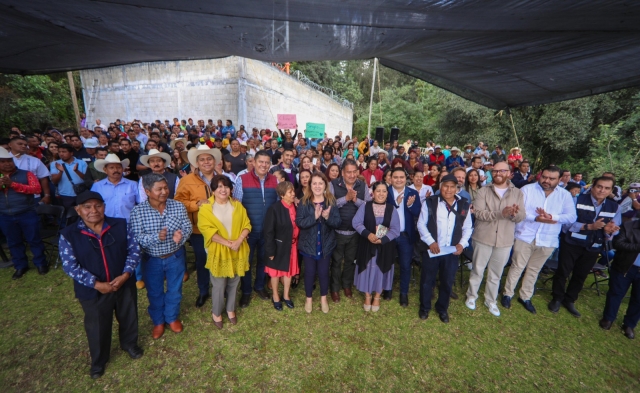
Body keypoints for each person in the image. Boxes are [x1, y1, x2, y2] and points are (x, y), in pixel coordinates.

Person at [59, 191, 142, 379]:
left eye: (98, 205)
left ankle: (129, 344)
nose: (93, 210)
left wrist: (125, 274)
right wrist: (96, 284)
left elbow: (134, 250)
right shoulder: (69, 234)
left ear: (104, 207)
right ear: (78, 210)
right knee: (97, 324)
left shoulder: (119, 225)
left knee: (128, 315)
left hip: (123, 282)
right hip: (93, 290)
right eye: (87, 207)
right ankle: (99, 360)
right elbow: (70, 266)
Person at [501, 166, 577, 314]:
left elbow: (572, 217)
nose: (546, 181)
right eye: (544, 177)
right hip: (525, 235)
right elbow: (520, 212)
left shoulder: (565, 195)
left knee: (534, 270)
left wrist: (553, 217)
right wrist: (536, 218)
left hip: (548, 239)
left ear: (560, 180)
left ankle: (525, 296)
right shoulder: (527, 189)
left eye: (551, 178)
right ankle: (507, 294)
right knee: (517, 266)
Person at [130, 174, 192, 339]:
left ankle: (171, 317)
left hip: (175, 256)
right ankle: (158, 321)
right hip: (152, 259)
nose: (164, 192)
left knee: (175, 289)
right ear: (148, 191)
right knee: (155, 292)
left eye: (166, 188)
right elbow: (137, 238)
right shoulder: (138, 211)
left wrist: (181, 235)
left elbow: (187, 226)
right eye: (159, 189)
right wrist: (157, 237)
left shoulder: (177, 206)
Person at [549, 176, 621, 317]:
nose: (602, 190)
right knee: (563, 271)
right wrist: (588, 226)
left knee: (581, 275)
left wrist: (608, 231)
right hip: (572, 243)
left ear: (611, 190)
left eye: (607, 188)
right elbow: (566, 225)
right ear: (593, 186)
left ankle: (570, 299)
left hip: (594, 246)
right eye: (599, 186)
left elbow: (613, 228)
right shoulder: (577, 199)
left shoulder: (614, 207)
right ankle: (557, 298)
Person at [465, 162, 525, 316]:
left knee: (496, 273)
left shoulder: (517, 193)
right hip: (483, 237)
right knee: (477, 269)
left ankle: (490, 300)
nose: (498, 173)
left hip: (505, 240)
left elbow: (521, 216)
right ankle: (471, 296)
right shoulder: (483, 191)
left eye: (502, 170)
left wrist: (513, 214)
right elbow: (478, 213)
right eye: (495, 170)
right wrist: (501, 213)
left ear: (509, 172)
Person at [417, 174, 473, 322]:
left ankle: (442, 308)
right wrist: (430, 242)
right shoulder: (430, 202)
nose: (448, 190)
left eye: (452, 187)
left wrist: (462, 244)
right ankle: (424, 307)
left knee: (447, 281)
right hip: (433, 250)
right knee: (427, 280)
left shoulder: (464, 205)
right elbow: (421, 224)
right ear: (440, 187)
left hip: (452, 252)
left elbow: (467, 227)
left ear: (457, 188)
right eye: (445, 186)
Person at [197, 175, 251, 328]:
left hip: (238, 249)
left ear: (231, 189)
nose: (223, 189)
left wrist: (239, 240)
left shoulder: (237, 205)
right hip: (219, 251)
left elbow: (247, 224)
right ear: (213, 190)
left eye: (226, 186)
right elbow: (207, 231)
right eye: (219, 186)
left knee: (234, 282)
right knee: (219, 284)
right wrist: (228, 243)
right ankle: (216, 312)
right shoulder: (206, 208)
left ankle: (230, 309)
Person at [175, 145, 222, 308]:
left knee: (219, 258)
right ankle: (203, 290)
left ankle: (219, 288)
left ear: (214, 161)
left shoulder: (221, 178)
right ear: (197, 162)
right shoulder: (186, 180)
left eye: (209, 158)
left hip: (220, 228)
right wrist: (196, 204)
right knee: (202, 260)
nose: (206, 162)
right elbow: (178, 202)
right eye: (202, 159)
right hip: (199, 230)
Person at [233, 150, 279, 307]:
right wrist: (240, 230)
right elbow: (237, 207)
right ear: (254, 162)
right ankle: (246, 291)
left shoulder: (275, 180)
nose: (264, 165)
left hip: (267, 231)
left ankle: (259, 286)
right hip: (248, 232)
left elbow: (278, 205)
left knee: (262, 260)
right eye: (261, 162)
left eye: (267, 162)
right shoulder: (242, 179)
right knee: (246, 261)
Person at [296, 173, 342, 313]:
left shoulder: (331, 201)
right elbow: (300, 222)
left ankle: (323, 298)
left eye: (320, 183)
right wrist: (314, 217)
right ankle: (308, 298)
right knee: (309, 272)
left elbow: (337, 222)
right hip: (308, 245)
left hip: (325, 245)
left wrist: (327, 218)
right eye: (314, 183)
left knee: (323, 272)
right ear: (310, 185)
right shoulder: (304, 202)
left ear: (325, 186)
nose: (317, 186)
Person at [328, 159, 372, 302]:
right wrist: (345, 198)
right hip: (337, 231)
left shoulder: (362, 185)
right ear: (342, 173)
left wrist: (355, 200)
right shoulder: (333, 184)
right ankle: (334, 288)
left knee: (350, 261)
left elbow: (368, 207)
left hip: (355, 232)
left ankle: (346, 285)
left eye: (354, 172)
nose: (352, 175)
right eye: (349, 172)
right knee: (336, 261)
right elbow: (329, 205)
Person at [0, 146, 47, 279]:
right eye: (3, 161)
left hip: (26, 212)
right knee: (13, 242)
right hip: (5, 215)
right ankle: (20, 265)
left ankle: (40, 263)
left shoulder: (26, 174)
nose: (7, 164)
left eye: (9, 161)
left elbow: (36, 189)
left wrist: (13, 184)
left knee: (34, 239)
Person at [353, 181, 400, 312]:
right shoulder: (365, 206)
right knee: (367, 267)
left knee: (381, 268)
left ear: (387, 193)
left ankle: (377, 296)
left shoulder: (391, 209)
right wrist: (368, 235)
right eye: (378, 191)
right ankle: (367, 295)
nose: (381, 194)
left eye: (384, 191)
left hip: (385, 246)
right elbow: (356, 222)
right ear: (372, 193)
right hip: (367, 244)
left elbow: (396, 229)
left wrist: (383, 240)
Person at [384, 168, 421, 306]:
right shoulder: (385, 192)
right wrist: (396, 203)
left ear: (406, 179)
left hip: (406, 235)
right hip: (389, 234)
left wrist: (410, 206)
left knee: (406, 265)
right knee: (388, 263)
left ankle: (403, 293)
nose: (398, 180)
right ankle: (387, 288)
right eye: (395, 177)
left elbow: (418, 212)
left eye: (401, 177)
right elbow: (381, 211)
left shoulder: (412, 193)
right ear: (390, 178)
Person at [600, 219, 640, 339]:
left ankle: (629, 325)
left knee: (638, 299)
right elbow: (617, 244)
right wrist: (638, 246)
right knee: (616, 293)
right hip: (625, 266)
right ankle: (608, 318)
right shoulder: (628, 226)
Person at [264, 181, 300, 311]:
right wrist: (270, 251)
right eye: (290, 192)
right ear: (282, 194)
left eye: (293, 191)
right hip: (278, 247)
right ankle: (275, 296)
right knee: (275, 273)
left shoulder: (295, 207)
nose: (293, 194)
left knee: (288, 272)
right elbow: (268, 232)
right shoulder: (274, 209)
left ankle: (286, 295)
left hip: (292, 246)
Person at [91, 154, 138, 223]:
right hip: (105, 223)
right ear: (105, 170)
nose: (116, 170)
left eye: (118, 167)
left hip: (128, 222)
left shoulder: (133, 184)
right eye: (111, 167)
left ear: (122, 169)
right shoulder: (97, 186)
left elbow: (140, 203)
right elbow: (93, 205)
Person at [50, 143, 87, 209]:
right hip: (65, 195)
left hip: (80, 194)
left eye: (64, 152)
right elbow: (54, 181)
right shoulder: (55, 164)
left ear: (71, 153)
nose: (61, 154)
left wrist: (76, 171)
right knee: (68, 216)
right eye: (59, 152)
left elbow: (86, 179)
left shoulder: (82, 163)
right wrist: (61, 171)